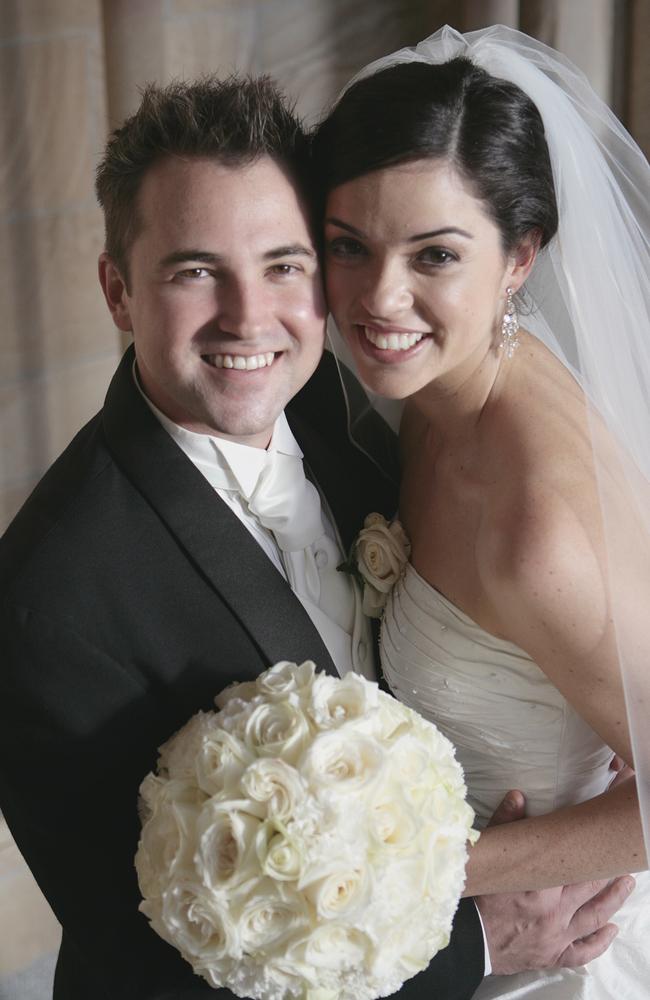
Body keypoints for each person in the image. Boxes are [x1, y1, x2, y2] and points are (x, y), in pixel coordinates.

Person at [0, 73, 631, 1000]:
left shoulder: (341, 407)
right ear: (118, 291)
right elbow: (144, 956)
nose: (249, 320)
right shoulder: (46, 596)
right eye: (194, 270)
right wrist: (480, 946)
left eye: (286, 264)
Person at [313, 24, 650, 1000]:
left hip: (543, 951)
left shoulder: (535, 528)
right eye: (348, 245)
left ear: (519, 257)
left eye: (434, 256)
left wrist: (446, 872)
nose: (380, 297)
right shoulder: (441, 389)